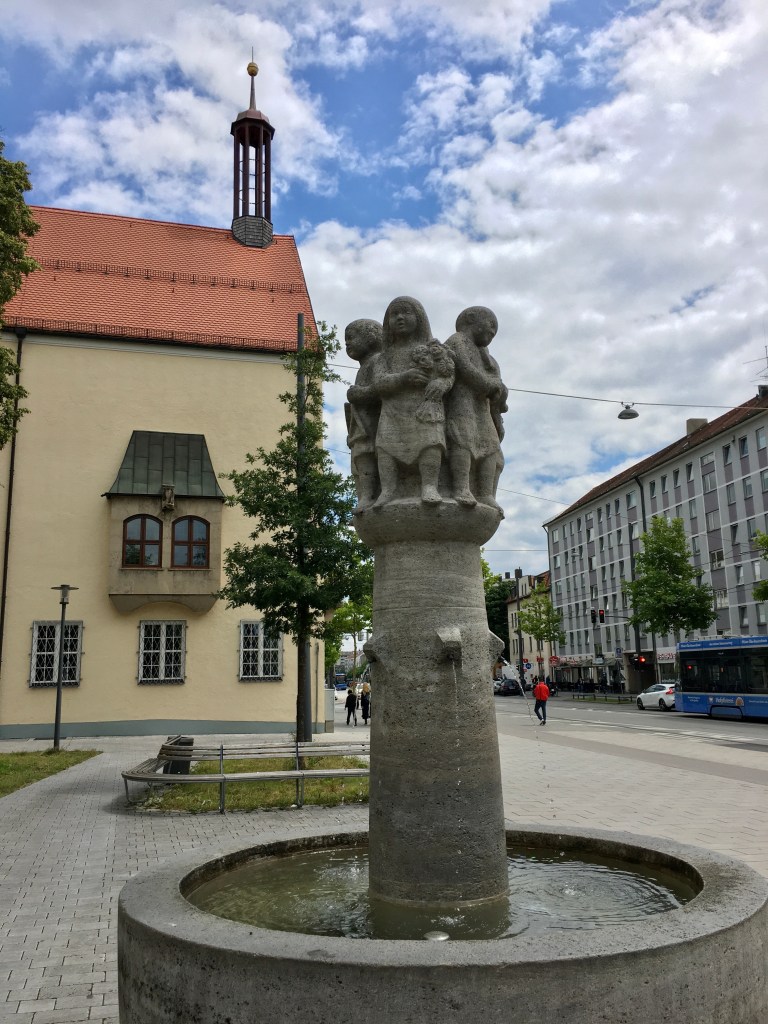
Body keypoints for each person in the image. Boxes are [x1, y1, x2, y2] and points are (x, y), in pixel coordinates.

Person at [371, 296, 454, 506]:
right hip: (393, 411)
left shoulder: (433, 349)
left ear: (419, 318)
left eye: (406, 312)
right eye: (394, 314)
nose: (400, 317)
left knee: (431, 443)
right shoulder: (385, 356)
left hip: (424, 408)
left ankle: (429, 485)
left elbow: (448, 373)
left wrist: (443, 384)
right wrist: (403, 378)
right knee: (385, 447)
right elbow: (379, 382)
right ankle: (388, 489)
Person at [444, 306, 508, 511]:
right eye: (491, 326)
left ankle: (485, 493)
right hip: (460, 401)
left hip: (481, 407)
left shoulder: (486, 356)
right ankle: (461, 487)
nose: (492, 333)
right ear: (472, 319)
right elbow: (465, 368)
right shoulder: (457, 340)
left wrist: (499, 389)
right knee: (463, 441)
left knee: (491, 447)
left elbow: (497, 380)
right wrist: (489, 384)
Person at [344, 318, 383, 508]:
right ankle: (367, 496)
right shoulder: (365, 366)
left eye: (351, 338)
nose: (347, 343)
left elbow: (381, 388)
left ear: (371, 337)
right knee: (361, 457)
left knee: (368, 455)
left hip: (372, 423)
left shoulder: (377, 361)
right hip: (361, 422)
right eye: (346, 340)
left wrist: (358, 393)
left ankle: (370, 496)